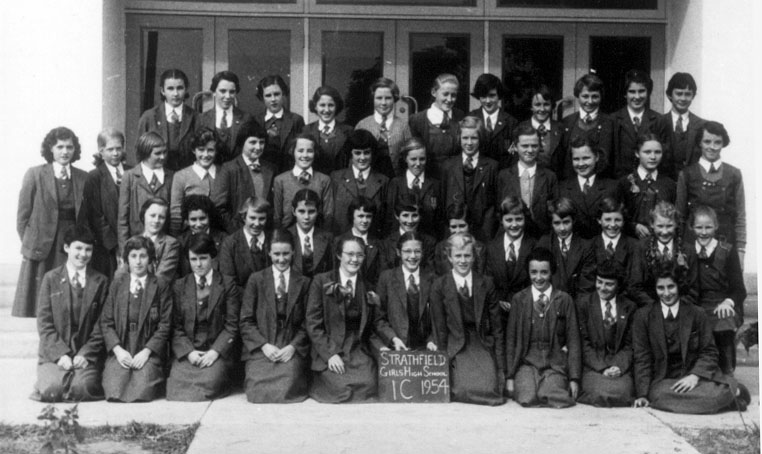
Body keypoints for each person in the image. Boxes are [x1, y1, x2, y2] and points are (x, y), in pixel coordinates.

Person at [632, 263, 750, 414]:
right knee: (658, 396)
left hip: (695, 376)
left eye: (671, 287)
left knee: (706, 394)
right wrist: (642, 395)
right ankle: (730, 397)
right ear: (654, 289)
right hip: (664, 379)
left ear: (679, 286)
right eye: (661, 288)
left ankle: (728, 394)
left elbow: (709, 351)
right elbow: (642, 357)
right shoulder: (643, 316)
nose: (666, 293)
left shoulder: (696, 313)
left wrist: (694, 376)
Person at [14, 127, 88, 317]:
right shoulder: (35, 174)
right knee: (43, 303)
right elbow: (22, 217)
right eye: (60, 147)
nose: (65, 152)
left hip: (71, 244)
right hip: (43, 248)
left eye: (69, 147)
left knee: (69, 300)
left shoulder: (83, 177)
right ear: (51, 149)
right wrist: (32, 243)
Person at [32, 225, 108, 402]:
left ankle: (75, 380)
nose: (83, 254)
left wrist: (86, 353)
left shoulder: (101, 281)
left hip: (84, 352)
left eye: (88, 249)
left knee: (82, 389)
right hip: (55, 352)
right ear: (67, 248)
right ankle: (52, 379)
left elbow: (102, 325)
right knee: (52, 390)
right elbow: (44, 323)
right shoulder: (50, 278)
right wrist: (60, 354)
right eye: (78, 248)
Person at [430, 233, 504, 405]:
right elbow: (440, 329)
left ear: (474, 257)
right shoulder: (439, 285)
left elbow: (497, 328)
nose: (462, 261)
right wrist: (443, 367)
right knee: (462, 389)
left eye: (467, 255)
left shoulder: (486, 283)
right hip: (455, 344)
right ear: (450, 257)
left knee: (490, 390)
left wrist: (500, 369)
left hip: (480, 343)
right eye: (458, 256)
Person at [167, 233, 241, 401]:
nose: (198, 264)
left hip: (215, 352)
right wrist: (189, 352)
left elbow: (232, 325)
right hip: (190, 351)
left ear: (212, 257)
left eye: (203, 258)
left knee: (211, 381)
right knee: (175, 384)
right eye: (193, 259)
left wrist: (215, 352)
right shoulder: (179, 286)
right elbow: (176, 327)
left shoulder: (227, 284)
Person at [240, 229, 311, 403]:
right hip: (263, 345)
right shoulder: (256, 280)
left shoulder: (304, 282)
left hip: (289, 344)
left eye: (286, 253)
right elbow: (246, 321)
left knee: (289, 383)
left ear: (293, 252)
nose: (281, 259)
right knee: (257, 387)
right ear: (269, 253)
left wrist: (293, 347)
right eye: (277, 254)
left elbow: (308, 322)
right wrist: (263, 345)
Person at [505, 247, 581, 408]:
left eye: (544, 272)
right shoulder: (519, 299)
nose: (538, 278)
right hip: (527, 364)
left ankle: (549, 387)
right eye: (533, 272)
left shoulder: (564, 299)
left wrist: (574, 378)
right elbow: (511, 340)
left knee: (550, 395)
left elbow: (573, 340)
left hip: (555, 365)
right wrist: (510, 377)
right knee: (526, 397)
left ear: (552, 272)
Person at [306, 236, 379, 403]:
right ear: (339, 255)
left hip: (356, 348)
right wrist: (330, 354)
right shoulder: (321, 281)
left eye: (359, 255)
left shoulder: (367, 286)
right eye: (350, 254)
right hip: (330, 346)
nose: (355, 259)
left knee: (369, 384)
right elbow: (313, 323)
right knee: (340, 388)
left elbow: (374, 324)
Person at [101, 236, 172, 402]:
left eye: (143, 256)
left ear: (150, 258)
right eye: (133, 256)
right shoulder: (117, 284)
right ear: (127, 259)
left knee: (143, 387)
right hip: (123, 346)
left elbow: (165, 324)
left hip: (147, 348)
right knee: (114, 387)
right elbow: (106, 322)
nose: (138, 261)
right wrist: (118, 351)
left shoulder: (160, 285)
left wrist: (147, 352)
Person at [686, 205, 746, 376]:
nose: (703, 232)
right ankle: (698, 372)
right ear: (692, 227)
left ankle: (727, 372)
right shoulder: (687, 251)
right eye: (699, 227)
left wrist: (728, 302)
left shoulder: (727, 251)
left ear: (716, 226)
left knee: (724, 320)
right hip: (697, 304)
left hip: (721, 304)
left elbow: (739, 289)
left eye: (708, 227)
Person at [676, 121, 745, 263]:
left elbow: (740, 217)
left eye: (717, 142)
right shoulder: (687, 174)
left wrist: (741, 251)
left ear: (723, 144)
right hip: (693, 246)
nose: (712, 147)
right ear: (699, 143)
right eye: (707, 141)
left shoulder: (734, 174)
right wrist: (679, 249)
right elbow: (680, 216)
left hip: (726, 246)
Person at [576, 260, 637, 407]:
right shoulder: (583, 304)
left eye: (609, 284)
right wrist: (602, 367)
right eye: (599, 282)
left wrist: (618, 366)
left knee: (623, 392)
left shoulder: (629, 307)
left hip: (619, 369)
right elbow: (583, 343)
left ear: (618, 285)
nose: (602, 288)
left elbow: (631, 344)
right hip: (593, 367)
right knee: (599, 392)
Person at [375, 232, 438, 352]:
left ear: (423, 253)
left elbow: (439, 319)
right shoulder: (387, 278)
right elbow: (379, 318)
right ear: (398, 252)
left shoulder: (433, 279)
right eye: (407, 251)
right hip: (396, 347)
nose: (413, 256)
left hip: (427, 348)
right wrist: (393, 339)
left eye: (417, 251)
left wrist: (432, 340)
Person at [212, 121, 276, 233]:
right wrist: (236, 231)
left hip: (265, 232)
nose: (258, 147)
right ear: (242, 143)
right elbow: (218, 207)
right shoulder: (229, 169)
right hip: (238, 232)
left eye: (261, 142)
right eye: (253, 142)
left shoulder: (270, 169)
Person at [441, 116, 498, 241]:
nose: (469, 143)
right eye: (465, 138)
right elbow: (444, 203)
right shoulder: (448, 166)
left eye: (474, 138)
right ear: (459, 138)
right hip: (455, 232)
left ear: (480, 139)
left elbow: (493, 206)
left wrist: (487, 235)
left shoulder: (491, 166)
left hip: (482, 233)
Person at [82, 128, 130, 279]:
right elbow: (95, 214)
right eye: (110, 149)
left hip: (133, 239)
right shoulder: (94, 177)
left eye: (118, 148)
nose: (115, 153)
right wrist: (115, 245)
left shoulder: (133, 172)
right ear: (101, 152)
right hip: (107, 246)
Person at [498, 124, 558, 238]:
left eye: (534, 146)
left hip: (541, 237)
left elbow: (554, 212)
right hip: (513, 235)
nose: (530, 150)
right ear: (515, 147)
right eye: (525, 146)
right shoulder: (504, 176)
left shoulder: (550, 177)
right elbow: (499, 210)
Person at [117, 131, 174, 252]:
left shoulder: (171, 177)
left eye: (164, 152)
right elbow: (123, 218)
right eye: (157, 153)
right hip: (136, 246)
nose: (163, 157)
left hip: (163, 246)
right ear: (145, 153)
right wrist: (124, 251)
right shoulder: (130, 177)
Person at [485, 196, 537, 324]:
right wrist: (498, 301)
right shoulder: (492, 247)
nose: (514, 225)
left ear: (525, 219)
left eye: (519, 219)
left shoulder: (534, 246)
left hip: (526, 312)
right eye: (509, 220)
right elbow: (488, 281)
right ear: (501, 220)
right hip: (497, 312)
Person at [554, 73, 615, 180]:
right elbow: (561, 161)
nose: (590, 101)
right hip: (571, 184)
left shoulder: (611, 123)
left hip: (602, 184)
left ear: (601, 97)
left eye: (595, 96)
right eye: (585, 96)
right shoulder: (567, 123)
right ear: (578, 96)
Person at [557, 135, 619, 240]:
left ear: (596, 157)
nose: (581, 164)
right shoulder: (562, 188)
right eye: (576, 159)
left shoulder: (612, 187)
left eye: (586, 158)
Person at [330, 129, 389, 236]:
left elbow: (385, 219)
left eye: (367, 153)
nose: (362, 157)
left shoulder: (383, 181)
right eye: (357, 153)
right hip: (343, 240)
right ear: (350, 154)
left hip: (372, 240)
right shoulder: (336, 178)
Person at [618, 133, 676, 239]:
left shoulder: (669, 184)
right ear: (637, 153)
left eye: (657, 152)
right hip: (631, 241)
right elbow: (617, 215)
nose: (653, 157)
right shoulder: (624, 183)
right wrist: (633, 227)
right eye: (647, 152)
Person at [592, 197, 648, 306]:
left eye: (617, 220)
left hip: (626, 305)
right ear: (599, 220)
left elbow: (634, 284)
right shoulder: (590, 245)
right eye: (607, 220)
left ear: (624, 221)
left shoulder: (634, 246)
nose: (613, 225)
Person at [136, 69, 197, 170]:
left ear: (186, 89)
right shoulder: (149, 117)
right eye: (170, 88)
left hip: (187, 175)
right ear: (162, 91)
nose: (175, 93)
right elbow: (140, 153)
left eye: (180, 88)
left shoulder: (195, 117)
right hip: (158, 175)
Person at [640, 201, 697, 307]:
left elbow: (694, 290)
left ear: (676, 224)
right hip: (650, 307)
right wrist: (658, 308)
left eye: (669, 226)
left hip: (680, 307)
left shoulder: (688, 250)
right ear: (652, 224)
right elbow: (635, 287)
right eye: (660, 226)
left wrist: (675, 307)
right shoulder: (641, 248)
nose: (665, 232)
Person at [536, 197, 595, 299]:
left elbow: (586, 287)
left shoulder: (585, 247)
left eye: (566, 222)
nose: (562, 228)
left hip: (576, 303)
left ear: (573, 221)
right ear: (551, 223)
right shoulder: (544, 244)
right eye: (557, 223)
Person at [272, 133, 334, 230]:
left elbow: (328, 215)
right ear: (293, 152)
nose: (305, 155)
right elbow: (277, 216)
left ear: (315, 153)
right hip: (287, 234)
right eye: (300, 151)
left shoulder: (324, 180)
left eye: (310, 151)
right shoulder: (280, 180)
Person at [408, 73, 464, 179]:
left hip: (454, 176)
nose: (449, 99)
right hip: (428, 177)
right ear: (434, 92)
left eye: (453, 95)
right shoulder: (418, 120)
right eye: (445, 94)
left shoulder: (460, 116)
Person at [652, 72, 705, 180]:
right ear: (669, 95)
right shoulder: (657, 123)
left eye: (688, 94)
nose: (683, 98)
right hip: (663, 182)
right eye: (679, 94)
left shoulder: (702, 125)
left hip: (692, 183)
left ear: (693, 96)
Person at [385, 138, 441, 238]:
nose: (418, 163)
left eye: (422, 159)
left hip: (429, 239)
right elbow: (390, 217)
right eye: (413, 159)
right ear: (405, 159)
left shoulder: (435, 185)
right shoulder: (396, 184)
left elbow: (439, 219)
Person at [355, 77, 411, 177]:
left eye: (388, 98)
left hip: (396, 179)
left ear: (394, 99)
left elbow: (410, 155)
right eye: (379, 98)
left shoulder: (403, 126)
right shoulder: (363, 124)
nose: (383, 103)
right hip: (369, 179)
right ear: (373, 99)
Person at [169, 128, 220, 235]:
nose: (206, 155)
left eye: (210, 150)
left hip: (218, 234)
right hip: (190, 235)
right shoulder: (181, 176)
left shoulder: (224, 173)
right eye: (201, 150)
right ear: (193, 150)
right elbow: (175, 213)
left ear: (216, 151)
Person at [611, 70, 661, 178]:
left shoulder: (658, 120)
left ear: (648, 92)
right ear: (625, 94)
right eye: (632, 92)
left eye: (641, 91)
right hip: (620, 180)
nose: (637, 97)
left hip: (650, 181)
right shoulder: (613, 120)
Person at [196, 70, 254, 162]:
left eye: (232, 92)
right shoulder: (201, 119)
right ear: (214, 92)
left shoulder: (246, 118)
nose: (227, 96)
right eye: (222, 91)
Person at [254, 75, 305, 173]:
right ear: (262, 98)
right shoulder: (256, 121)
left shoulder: (296, 120)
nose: (273, 99)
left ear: (283, 94)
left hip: (289, 173)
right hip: (263, 173)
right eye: (268, 95)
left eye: (277, 94)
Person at [219, 197, 271, 290]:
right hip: (241, 297)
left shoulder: (273, 240)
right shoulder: (230, 244)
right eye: (252, 218)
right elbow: (229, 284)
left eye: (262, 219)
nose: (257, 223)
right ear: (244, 217)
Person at [467, 73, 518, 169]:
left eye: (492, 95)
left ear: (499, 95)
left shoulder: (511, 122)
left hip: (502, 173)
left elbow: (514, 155)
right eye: (483, 96)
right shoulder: (471, 118)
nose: (488, 101)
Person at [303, 86, 354, 174]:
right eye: (322, 105)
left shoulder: (348, 131)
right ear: (315, 106)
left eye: (331, 105)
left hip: (341, 180)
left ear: (337, 106)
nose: (326, 110)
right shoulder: (306, 131)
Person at [380, 194, 436, 272]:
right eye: (405, 215)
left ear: (420, 216)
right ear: (397, 216)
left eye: (414, 215)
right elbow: (385, 273)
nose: (410, 221)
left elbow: (430, 272)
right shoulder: (386, 244)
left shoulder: (430, 242)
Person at [336, 197, 384, 286]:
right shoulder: (339, 241)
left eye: (368, 216)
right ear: (352, 216)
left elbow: (381, 274)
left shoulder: (378, 244)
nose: (365, 221)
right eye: (360, 216)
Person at [176, 194, 227, 278]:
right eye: (193, 219)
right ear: (187, 221)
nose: (198, 224)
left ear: (209, 217)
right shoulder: (181, 242)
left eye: (202, 218)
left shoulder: (223, 239)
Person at [433, 203, 486, 276]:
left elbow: (480, 276)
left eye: (462, 226)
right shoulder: (440, 248)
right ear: (449, 227)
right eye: (453, 227)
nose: (458, 231)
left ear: (469, 225)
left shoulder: (479, 248)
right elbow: (439, 276)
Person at [517, 85, 562, 170]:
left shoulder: (561, 129)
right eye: (537, 105)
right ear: (531, 107)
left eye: (546, 104)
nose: (542, 109)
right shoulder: (520, 128)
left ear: (552, 106)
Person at [137, 198, 179, 282]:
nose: (156, 220)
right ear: (143, 215)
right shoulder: (133, 241)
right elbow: (122, 274)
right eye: (152, 215)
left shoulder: (171, 244)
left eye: (161, 217)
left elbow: (162, 277)